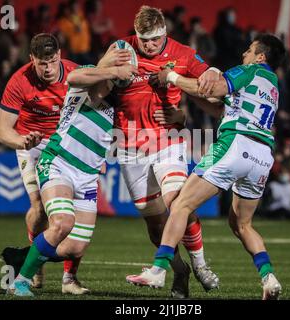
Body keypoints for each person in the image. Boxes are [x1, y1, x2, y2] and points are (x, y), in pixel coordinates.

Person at [126, 34, 286, 300]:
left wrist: (172, 78)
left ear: (261, 56)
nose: (244, 54)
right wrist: (191, 93)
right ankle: (268, 278)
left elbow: (211, 88)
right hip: (262, 156)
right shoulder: (272, 85)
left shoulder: (250, 70)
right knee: (242, 224)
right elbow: (219, 108)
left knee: (180, 205)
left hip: (235, 145)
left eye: (249, 50)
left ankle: (159, 268)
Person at [4, 45, 138, 297]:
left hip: (87, 177)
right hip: (58, 163)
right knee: (62, 223)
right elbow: (73, 77)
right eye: (119, 69)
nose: (122, 75)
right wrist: (110, 68)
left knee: (75, 248)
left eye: (127, 70)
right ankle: (19, 282)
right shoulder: (85, 78)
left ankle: (25, 256)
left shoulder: (120, 105)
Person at [114, 5, 220, 298]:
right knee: (154, 222)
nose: (148, 45)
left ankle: (200, 264)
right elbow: (99, 84)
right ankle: (180, 271)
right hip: (128, 147)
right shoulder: (123, 50)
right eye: (143, 39)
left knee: (179, 202)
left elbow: (208, 74)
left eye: (155, 39)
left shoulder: (182, 53)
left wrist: (183, 116)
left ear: (165, 33)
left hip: (167, 142)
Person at [0, 33, 86, 294]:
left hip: (66, 145)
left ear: (60, 55)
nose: (48, 69)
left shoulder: (76, 74)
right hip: (31, 145)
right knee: (39, 207)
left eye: (52, 61)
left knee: (75, 212)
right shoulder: (19, 81)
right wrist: (22, 141)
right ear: (31, 59)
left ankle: (70, 278)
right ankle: (35, 264)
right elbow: (2, 131)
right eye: (41, 63)